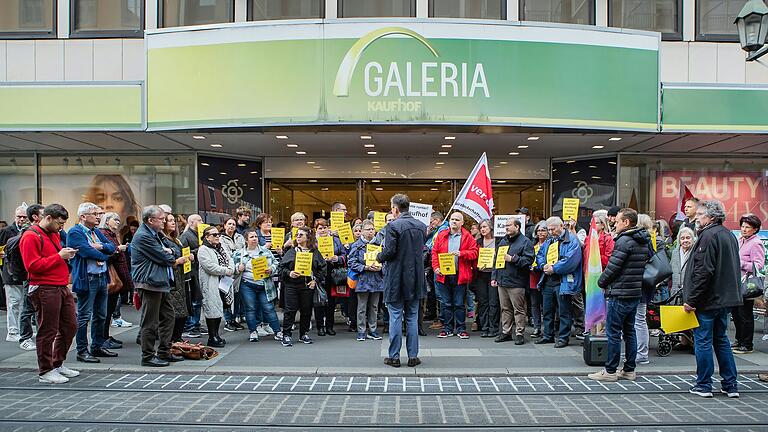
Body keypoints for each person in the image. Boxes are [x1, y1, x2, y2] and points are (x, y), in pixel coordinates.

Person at [683, 200, 742, 398]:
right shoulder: (728, 235)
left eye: (700, 214)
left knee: (704, 341)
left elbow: (703, 272)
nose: (697, 218)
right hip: (724, 298)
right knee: (721, 340)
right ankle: (730, 384)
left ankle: (704, 384)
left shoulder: (708, 236)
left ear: (711, 217)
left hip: (708, 300)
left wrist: (691, 299)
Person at [588, 208, 649, 382]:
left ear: (627, 222)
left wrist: (600, 282)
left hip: (620, 292)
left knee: (614, 332)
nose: (615, 223)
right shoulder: (643, 239)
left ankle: (610, 370)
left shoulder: (624, 241)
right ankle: (629, 369)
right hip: (634, 291)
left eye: (618, 220)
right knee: (630, 331)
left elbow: (614, 267)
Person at [20, 204, 80, 383]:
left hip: (60, 286)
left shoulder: (52, 233)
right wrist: (59, 257)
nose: (61, 227)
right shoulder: (30, 236)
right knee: (48, 330)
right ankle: (46, 370)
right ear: (48, 218)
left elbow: (51, 258)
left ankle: (57, 363)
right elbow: (32, 266)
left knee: (70, 326)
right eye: (59, 223)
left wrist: (64, 256)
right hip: (44, 287)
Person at [378, 194, 427, 367]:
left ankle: (394, 356)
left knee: (396, 317)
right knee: (412, 318)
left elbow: (389, 251)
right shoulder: (422, 226)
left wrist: (378, 256)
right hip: (416, 278)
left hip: (397, 278)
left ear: (395, 209)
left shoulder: (393, 226)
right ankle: (413, 356)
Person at [132, 205, 184, 367]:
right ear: (150, 220)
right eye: (161, 219)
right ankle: (147, 356)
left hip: (160, 282)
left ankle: (164, 351)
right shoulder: (143, 236)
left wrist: (169, 251)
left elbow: (176, 251)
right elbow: (166, 258)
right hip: (149, 283)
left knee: (168, 317)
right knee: (150, 322)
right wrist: (167, 252)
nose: (164, 222)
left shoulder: (156, 234)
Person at [67, 203, 117, 363]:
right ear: (83, 216)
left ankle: (97, 346)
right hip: (87, 278)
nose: (98, 216)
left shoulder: (95, 232)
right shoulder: (75, 232)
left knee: (101, 315)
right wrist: (104, 254)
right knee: (84, 316)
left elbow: (112, 247)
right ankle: (82, 350)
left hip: (102, 277)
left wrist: (100, 247)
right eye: (94, 214)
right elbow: (86, 251)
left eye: (98, 213)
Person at [534, 217, 583, 348]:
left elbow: (571, 260)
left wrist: (554, 268)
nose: (550, 232)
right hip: (548, 281)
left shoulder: (572, 240)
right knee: (548, 310)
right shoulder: (550, 240)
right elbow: (539, 255)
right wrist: (543, 264)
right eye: (548, 229)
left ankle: (563, 338)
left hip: (563, 281)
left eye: (552, 229)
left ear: (561, 226)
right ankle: (548, 335)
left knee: (564, 311)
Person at [432, 211, 479, 339]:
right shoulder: (441, 235)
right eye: (452, 219)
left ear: (462, 223)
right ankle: (447, 328)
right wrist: (435, 268)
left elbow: (475, 253)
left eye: (457, 220)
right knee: (446, 303)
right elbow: (434, 252)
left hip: (460, 274)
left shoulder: (467, 236)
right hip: (444, 274)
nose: (454, 221)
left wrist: (462, 253)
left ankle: (461, 328)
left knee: (458, 303)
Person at [278, 226, 326, 347]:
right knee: (290, 310)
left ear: (308, 238)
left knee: (307, 311)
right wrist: (289, 273)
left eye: (301, 235)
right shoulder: (292, 251)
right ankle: (286, 335)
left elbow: (323, 269)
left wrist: (315, 280)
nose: (298, 237)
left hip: (307, 285)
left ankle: (304, 333)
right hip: (291, 285)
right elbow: (281, 268)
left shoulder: (315, 252)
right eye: (297, 235)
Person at [233, 229, 282, 342]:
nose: (254, 238)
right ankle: (253, 332)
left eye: (255, 236)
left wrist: (271, 269)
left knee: (269, 308)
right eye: (251, 237)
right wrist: (237, 268)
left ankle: (278, 332)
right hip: (247, 285)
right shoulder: (238, 253)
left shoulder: (265, 251)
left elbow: (276, 263)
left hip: (264, 284)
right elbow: (232, 267)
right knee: (250, 309)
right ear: (246, 240)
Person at [492, 218, 535, 345]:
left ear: (517, 227)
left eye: (509, 225)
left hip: (517, 282)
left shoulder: (525, 242)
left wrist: (513, 259)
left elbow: (528, 260)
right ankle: (506, 332)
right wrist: (494, 277)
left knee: (519, 309)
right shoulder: (503, 241)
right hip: (502, 280)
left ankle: (520, 333)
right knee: (505, 308)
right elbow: (496, 261)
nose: (506, 227)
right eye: (505, 225)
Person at [198, 225, 238, 348]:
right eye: (214, 235)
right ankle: (212, 336)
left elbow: (229, 259)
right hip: (211, 283)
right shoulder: (203, 249)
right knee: (212, 310)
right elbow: (210, 267)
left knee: (219, 309)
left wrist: (231, 268)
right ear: (207, 237)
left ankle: (217, 335)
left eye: (218, 234)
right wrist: (226, 270)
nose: (217, 237)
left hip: (224, 284)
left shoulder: (220, 248)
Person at [97, 212, 132, 351]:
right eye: (115, 220)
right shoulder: (103, 234)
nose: (118, 222)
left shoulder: (111, 234)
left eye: (118, 220)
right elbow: (104, 255)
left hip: (116, 276)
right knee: (105, 310)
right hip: (109, 276)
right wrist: (118, 250)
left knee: (109, 310)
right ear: (107, 221)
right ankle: (102, 338)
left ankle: (105, 336)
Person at [732, 214, 765, 355]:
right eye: (742, 226)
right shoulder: (740, 240)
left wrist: (741, 263)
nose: (744, 229)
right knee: (736, 313)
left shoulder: (756, 243)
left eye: (747, 227)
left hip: (747, 284)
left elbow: (759, 265)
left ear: (755, 229)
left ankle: (747, 344)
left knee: (745, 314)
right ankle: (739, 340)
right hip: (736, 282)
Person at [348, 220, 384, 341]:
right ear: (362, 231)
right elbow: (351, 262)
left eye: (372, 229)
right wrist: (364, 267)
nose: (370, 231)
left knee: (374, 306)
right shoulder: (356, 245)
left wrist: (381, 267)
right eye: (368, 229)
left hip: (377, 279)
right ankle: (361, 331)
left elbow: (386, 261)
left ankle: (373, 330)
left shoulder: (380, 245)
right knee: (362, 307)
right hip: (363, 279)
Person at [16, 204, 44, 351]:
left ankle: (33, 335)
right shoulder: (29, 232)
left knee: (35, 307)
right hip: (30, 276)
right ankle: (25, 337)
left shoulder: (41, 231)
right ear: (35, 216)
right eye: (43, 214)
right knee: (28, 307)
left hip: (37, 277)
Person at [313, 218, 346, 336]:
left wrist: (337, 258)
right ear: (316, 230)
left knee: (331, 302)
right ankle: (320, 327)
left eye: (325, 227)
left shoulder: (336, 240)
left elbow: (344, 255)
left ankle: (330, 326)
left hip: (332, 274)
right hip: (318, 274)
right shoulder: (313, 242)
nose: (323, 230)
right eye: (320, 228)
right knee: (319, 302)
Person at [1, 205, 30, 343]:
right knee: (13, 303)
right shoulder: (7, 231)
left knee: (23, 304)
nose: (22, 219)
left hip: (24, 272)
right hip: (11, 272)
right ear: (15, 216)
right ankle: (13, 331)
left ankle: (20, 329)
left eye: (24, 217)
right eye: (19, 217)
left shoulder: (28, 231)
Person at [161, 213, 191, 344]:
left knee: (183, 310)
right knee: (173, 310)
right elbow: (165, 258)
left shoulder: (176, 239)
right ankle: (172, 340)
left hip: (181, 277)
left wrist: (189, 256)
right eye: (170, 221)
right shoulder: (162, 239)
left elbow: (180, 252)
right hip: (171, 278)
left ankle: (177, 338)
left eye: (174, 221)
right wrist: (177, 261)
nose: (173, 223)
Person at [473, 219, 499, 338]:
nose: (482, 229)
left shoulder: (499, 241)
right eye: (481, 227)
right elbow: (473, 256)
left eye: (485, 227)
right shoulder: (478, 242)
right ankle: (485, 327)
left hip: (494, 274)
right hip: (481, 275)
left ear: (491, 227)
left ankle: (493, 327)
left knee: (493, 301)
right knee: (483, 302)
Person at [180, 214, 204, 338]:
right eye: (199, 220)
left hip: (199, 270)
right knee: (194, 299)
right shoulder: (185, 236)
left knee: (198, 298)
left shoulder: (200, 235)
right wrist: (197, 251)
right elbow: (183, 252)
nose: (202, 222)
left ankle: (196, 324)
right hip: (191, 271)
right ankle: (191, 326)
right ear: (191, 222)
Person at [220, 217, 245, 332]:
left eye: (233, 224)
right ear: (224, 225)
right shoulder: (221, 239)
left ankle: (234, 319)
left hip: (239, 272)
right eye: (229, 224)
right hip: (228, 271)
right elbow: (226, 254)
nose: (231, 226)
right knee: (227, 296)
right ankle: (228, 321)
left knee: (236, 296)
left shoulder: (240, 237)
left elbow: (244, 252)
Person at [529, 221, 548, 338]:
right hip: (533, 276)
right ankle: (537, 327)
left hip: (545, 276)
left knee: (546, 304)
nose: (540, 233)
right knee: (534, 304)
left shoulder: (550, 244)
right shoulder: (532, 245)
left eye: (543, 230)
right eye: (538, 230)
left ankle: (547, 327)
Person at [670, 227, 695, 297]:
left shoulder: (696, 252)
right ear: (679, 240)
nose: (685, 240)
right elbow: (670, 270)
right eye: (682, 238)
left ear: (692, 239)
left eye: (688, 237)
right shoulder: (675, 252)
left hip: (690, 292)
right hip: (675, 293)